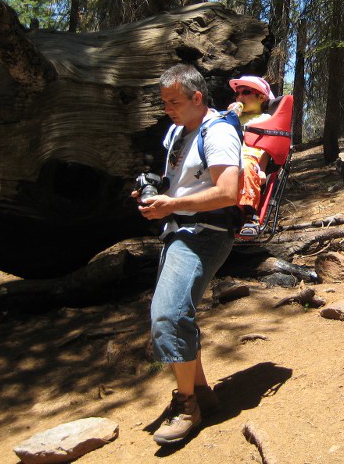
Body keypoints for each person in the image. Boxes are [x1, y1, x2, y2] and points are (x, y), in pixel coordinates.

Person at [135, 64, 242, 446]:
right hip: (177, 230)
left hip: (205, 233)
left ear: (198, 98)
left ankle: (186, 405)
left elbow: (228, 192)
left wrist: (174, 204)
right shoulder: (178, 132)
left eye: (174, 101)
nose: (167, 108)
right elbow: (178, 182)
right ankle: (203, 393)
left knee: (169, 314)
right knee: (178, 311)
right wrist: (155, 197)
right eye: (164, 102)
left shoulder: (220, 133)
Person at [227, 75, 276, 238]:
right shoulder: (234, 117)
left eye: (245, 92)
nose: (240, 97)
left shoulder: (265, 119)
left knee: (246, 166)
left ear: (261, 97)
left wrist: (261, 169)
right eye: (237, 94)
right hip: (228, 156)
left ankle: (250, 214)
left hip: (251, 157)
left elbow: (268, 147)